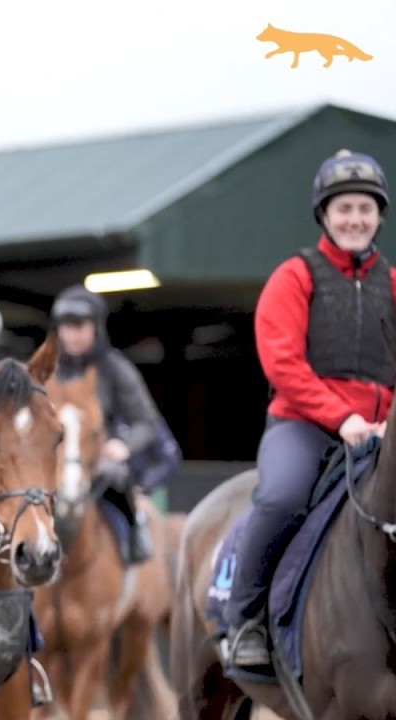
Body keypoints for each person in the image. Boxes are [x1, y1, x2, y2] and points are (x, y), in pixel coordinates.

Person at [224, 148, 393, 668]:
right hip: (305, 426)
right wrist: (342, 418)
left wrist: (384, 421)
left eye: (365, 209)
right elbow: (282, 362)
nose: (355, 219)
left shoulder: (392, 284)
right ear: (324, 215)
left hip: (380, 432)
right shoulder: (295, 276)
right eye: (344, 209)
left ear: (379, 216)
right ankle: (246, 620)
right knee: (282, 497)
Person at [50, 284, 161, 566]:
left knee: (117, 478)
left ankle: (134, 543)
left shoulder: (114, 368)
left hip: (97, 461)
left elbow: (146, 421)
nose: (72, 335)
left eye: (79, 326)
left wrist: (124, 445)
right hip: (53, 460)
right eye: (66, 327)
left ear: (95, 327)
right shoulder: (47, 368)